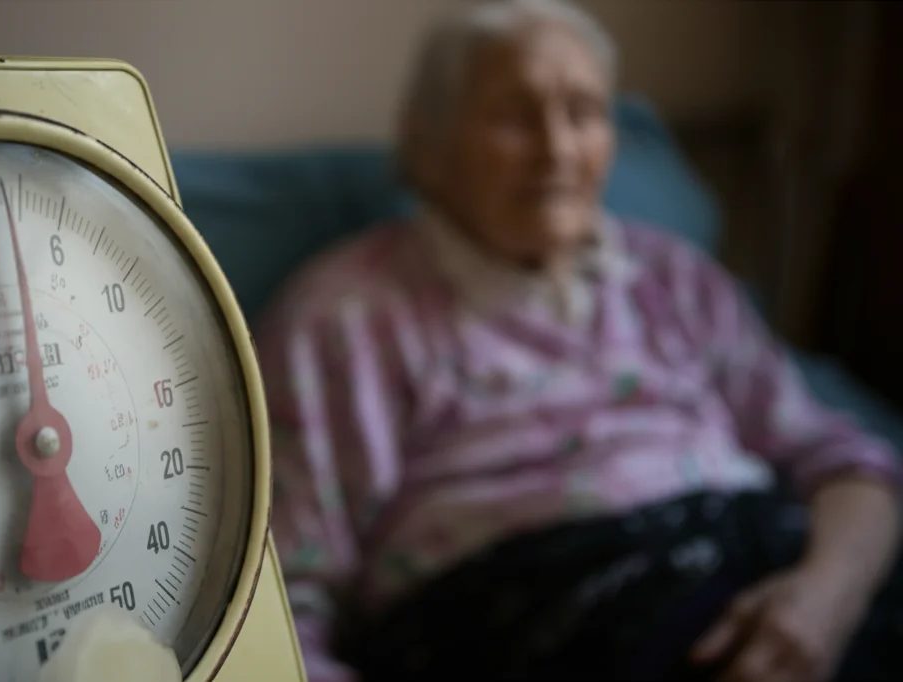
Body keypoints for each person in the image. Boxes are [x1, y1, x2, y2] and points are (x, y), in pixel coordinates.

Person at [254, 1, 903, 680]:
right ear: (428, 147)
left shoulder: (673, 278)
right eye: (514, 115)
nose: (558, 148)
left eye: (585, 112)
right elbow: (282, 598)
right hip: (535, 616)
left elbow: (848, 464)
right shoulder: (346, 317)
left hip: (767, 575)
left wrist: (826, 599)